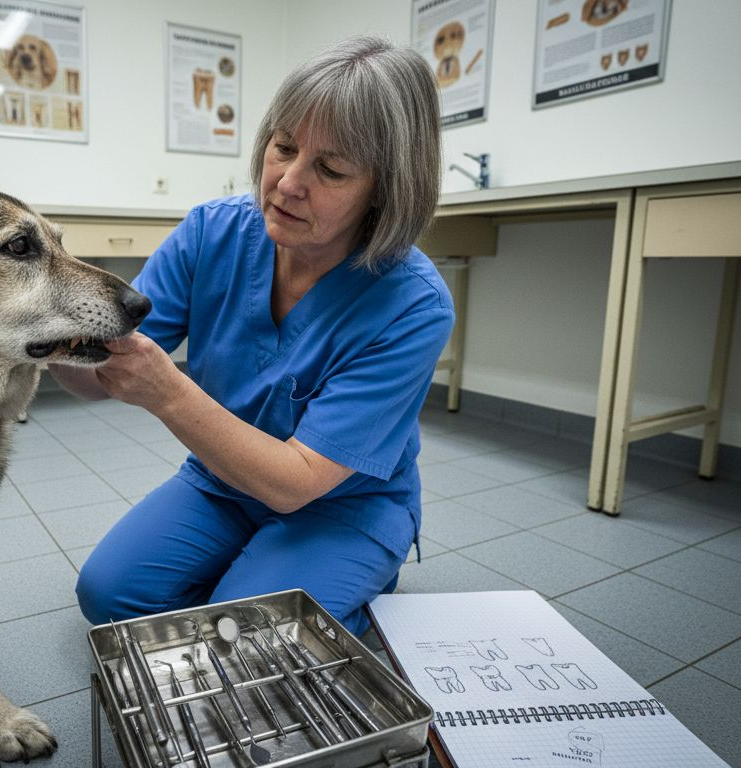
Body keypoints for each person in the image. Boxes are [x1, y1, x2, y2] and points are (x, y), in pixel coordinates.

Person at [52, 35, 453, 635]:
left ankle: (356, 569)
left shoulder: (412, 304)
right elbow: (96, 383)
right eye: (283, 146)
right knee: (108, 595)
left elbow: (295, 484)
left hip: (337, 505)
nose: (288, 182)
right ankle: (268, 576)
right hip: (223, 480)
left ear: (386, 188)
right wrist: (49, 335)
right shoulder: (212, 233)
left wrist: (168, 392)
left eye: (332, 168)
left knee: (245, 634)